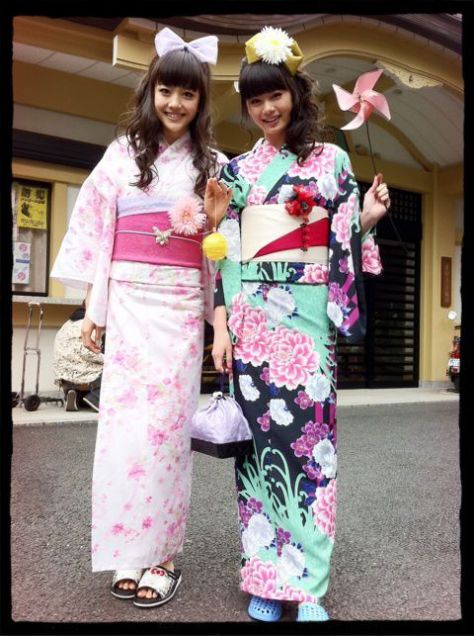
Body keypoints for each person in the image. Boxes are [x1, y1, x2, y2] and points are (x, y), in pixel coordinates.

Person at [206, 27, 390, 622]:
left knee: (312, 452)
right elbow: (226, 249)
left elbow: (338, 240)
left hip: (307, 323)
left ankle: (308, 585)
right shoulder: (237, 172)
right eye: (255, 100)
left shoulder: (332, 161)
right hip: (253, 321)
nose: (267, 109)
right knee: (258, 454)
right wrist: (224, 327)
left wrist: (365, 217)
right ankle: (265, 576)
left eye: (275, 95)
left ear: (295, 94)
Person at [51, 27, 226, 608]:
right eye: (166, 91)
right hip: (127, 302)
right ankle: (129, 550)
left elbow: (219, 250)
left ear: (201, 101)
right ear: (151, 91)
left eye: (188, 94)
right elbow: (100, 232)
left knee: (167, 433)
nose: (175, 103)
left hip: (178, 309)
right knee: (124, 433)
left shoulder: (212, 164)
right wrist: (94, 309)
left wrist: (218, 319)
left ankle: (164, 554)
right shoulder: (122, 153)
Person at [52, 302, 103, 412]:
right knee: (114, 362)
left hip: (65, 375)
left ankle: (72, 393)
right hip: (87, 375)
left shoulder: (66, 325)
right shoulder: (92, 325)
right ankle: (96, 397)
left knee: (75, 365)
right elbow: (95, 354)